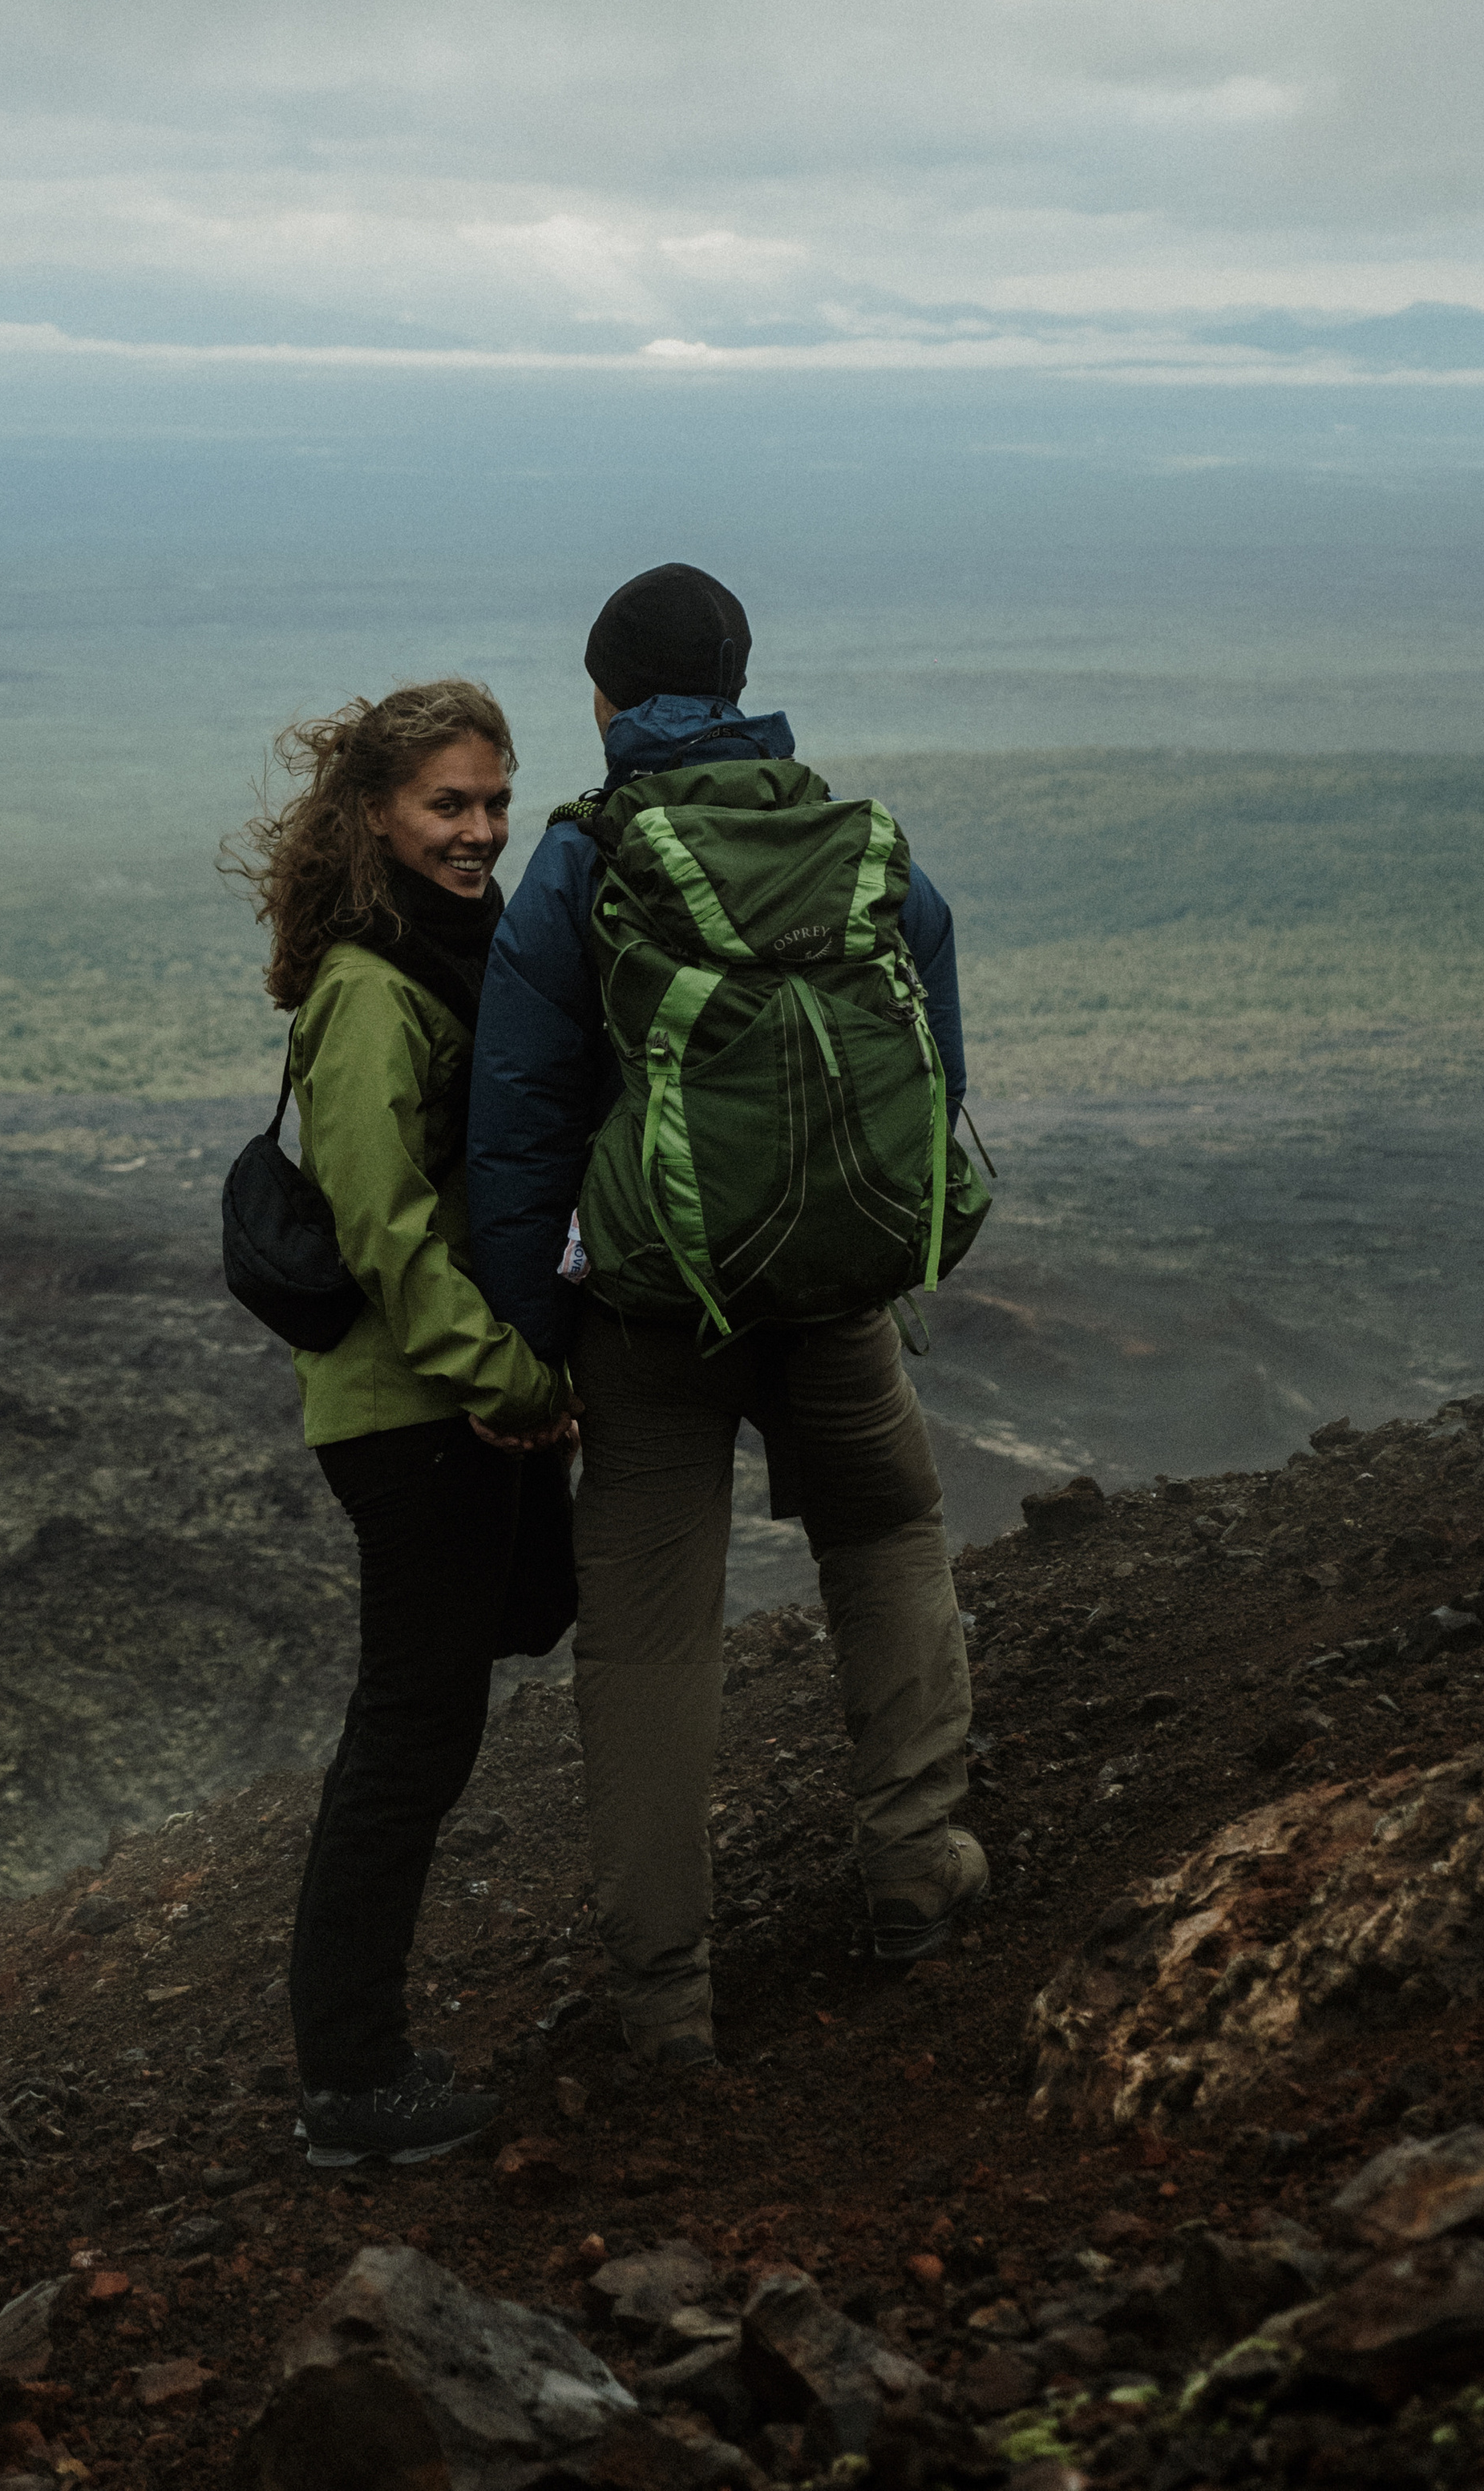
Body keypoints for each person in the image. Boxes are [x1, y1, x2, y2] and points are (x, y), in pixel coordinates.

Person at [466, 565, 983, 2072]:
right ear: (746, 678)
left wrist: (527, 1340)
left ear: (608, 702)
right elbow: (931, 1065)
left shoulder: (586, 866)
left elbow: (518, 1126)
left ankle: (667, 2000)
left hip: (647, 1317)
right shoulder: (856, 843)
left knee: (646, 1644)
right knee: (886, 1534)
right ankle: (913, 1871)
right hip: (832, 1301)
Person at [233, 677, 577, 2165]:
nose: (481, 831)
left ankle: (355, 2063)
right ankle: (354, 2085)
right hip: (414, 1409)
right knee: (408, 1734)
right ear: (376, 811)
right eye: (449, 804)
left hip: (452, 1406)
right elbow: (382, 1227)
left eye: (495, 802)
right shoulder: (372, 993)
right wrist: (509, 1385)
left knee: (445, 1700)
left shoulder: (454, 953)